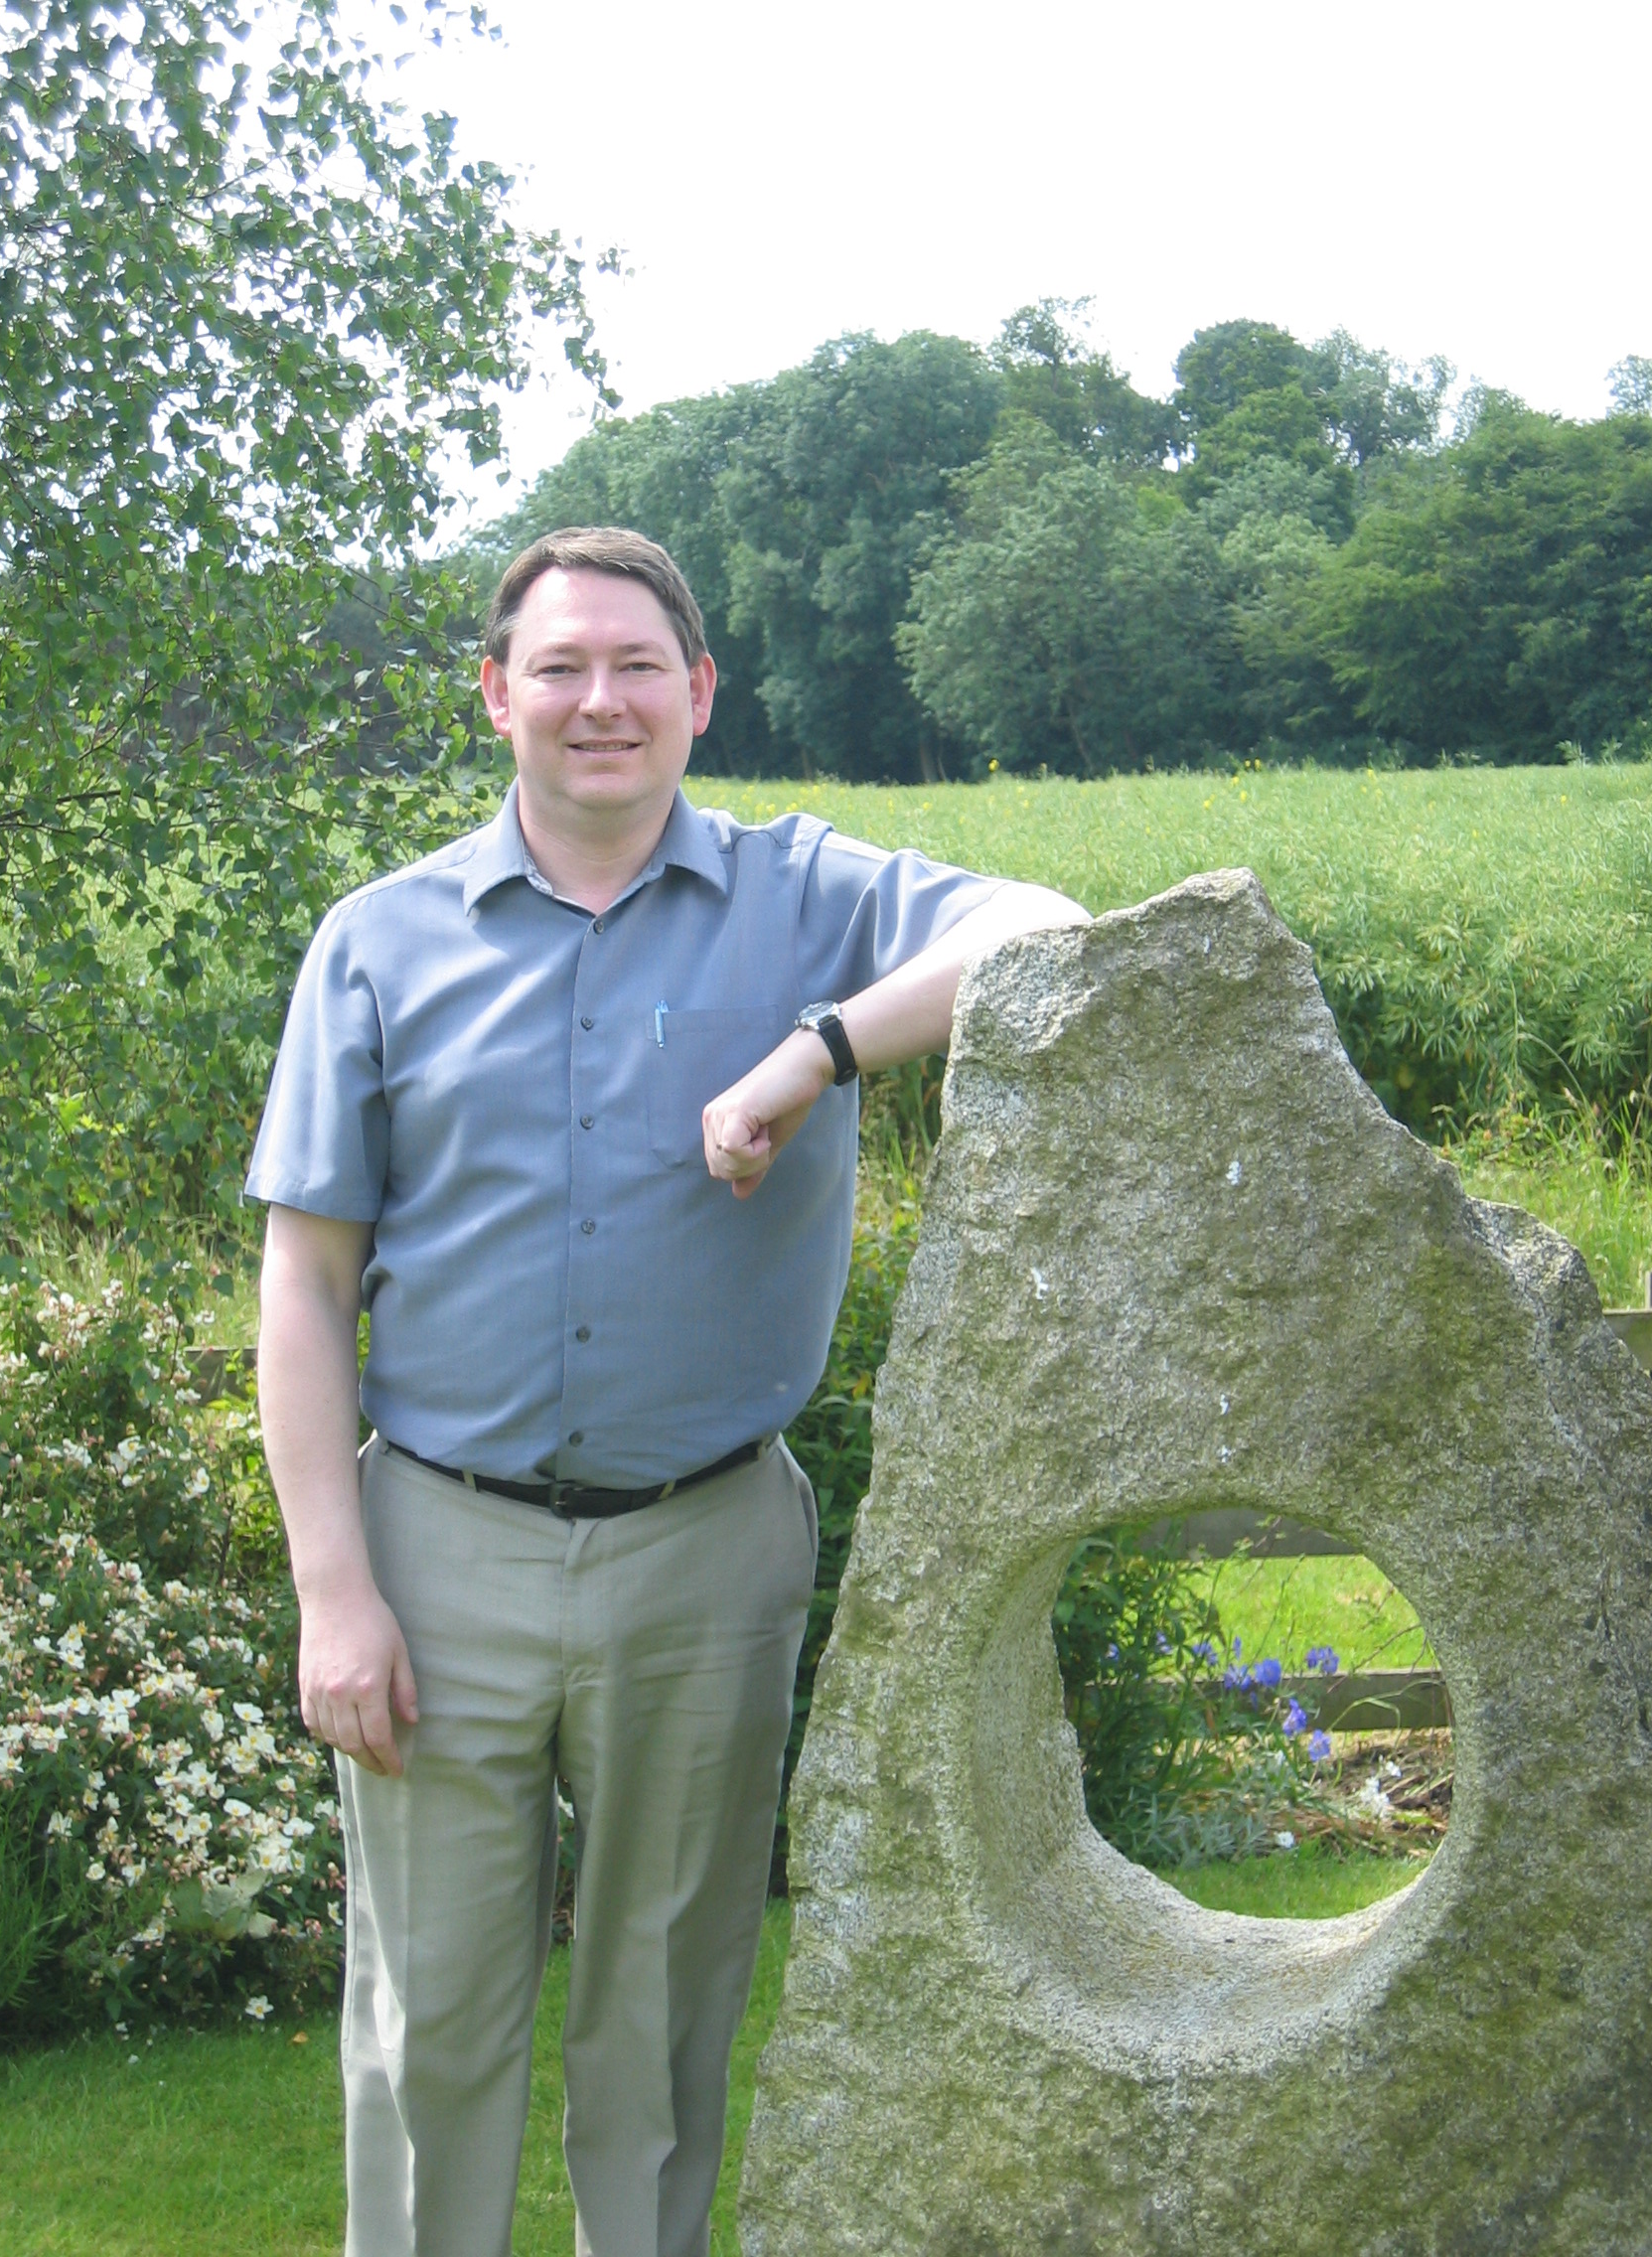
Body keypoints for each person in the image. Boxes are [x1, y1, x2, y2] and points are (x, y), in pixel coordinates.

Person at [249, 526, 1087, 2257]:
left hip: (708, 1555)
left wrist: (816, 1048)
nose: (599, 701)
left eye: (638, 665)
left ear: (700, 693)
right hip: (435, 1556)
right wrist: (335, 1592)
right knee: (433, 2032)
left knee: (663, 2021)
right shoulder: (378, 943)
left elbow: (1049, 927)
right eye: (558, 667)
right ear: (497, 697)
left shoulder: (806, 898)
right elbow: (307, 1284)